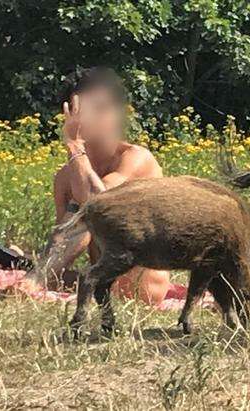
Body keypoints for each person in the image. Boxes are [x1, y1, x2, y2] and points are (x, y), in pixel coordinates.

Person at [46, 67, 171, 304]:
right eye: (90, 110)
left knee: (82, 211)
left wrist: (74, 144)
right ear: (70, 114)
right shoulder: (64, 177)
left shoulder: (135, 158)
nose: (101, 118)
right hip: (103, 284)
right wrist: (39, 272)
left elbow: (98, 201)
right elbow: (65, 242)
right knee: (7, 269)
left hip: (140, 290)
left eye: (105, 109)